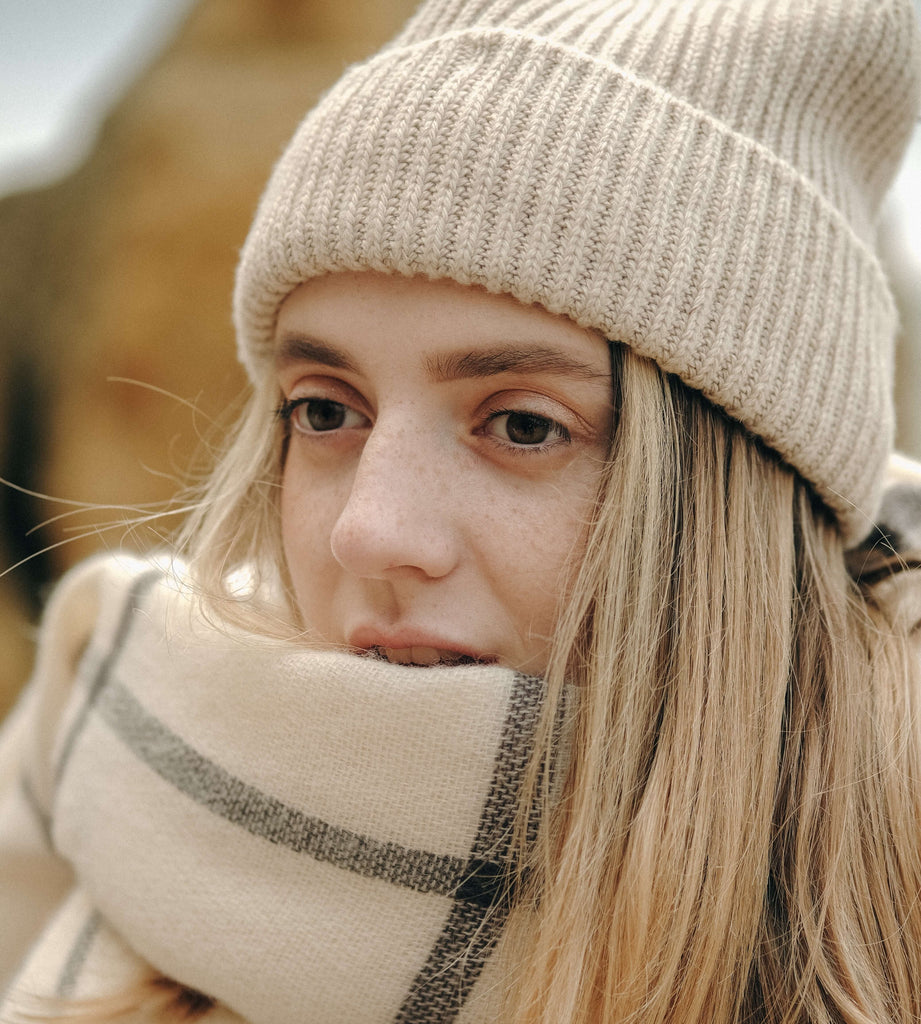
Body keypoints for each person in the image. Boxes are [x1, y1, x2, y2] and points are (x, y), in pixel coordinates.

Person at [2, 0, 921, 1021]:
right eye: (324, 410)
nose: (368, 528)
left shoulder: (888, 901)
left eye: (523, 426)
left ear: (735, 511)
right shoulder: (98, 761)